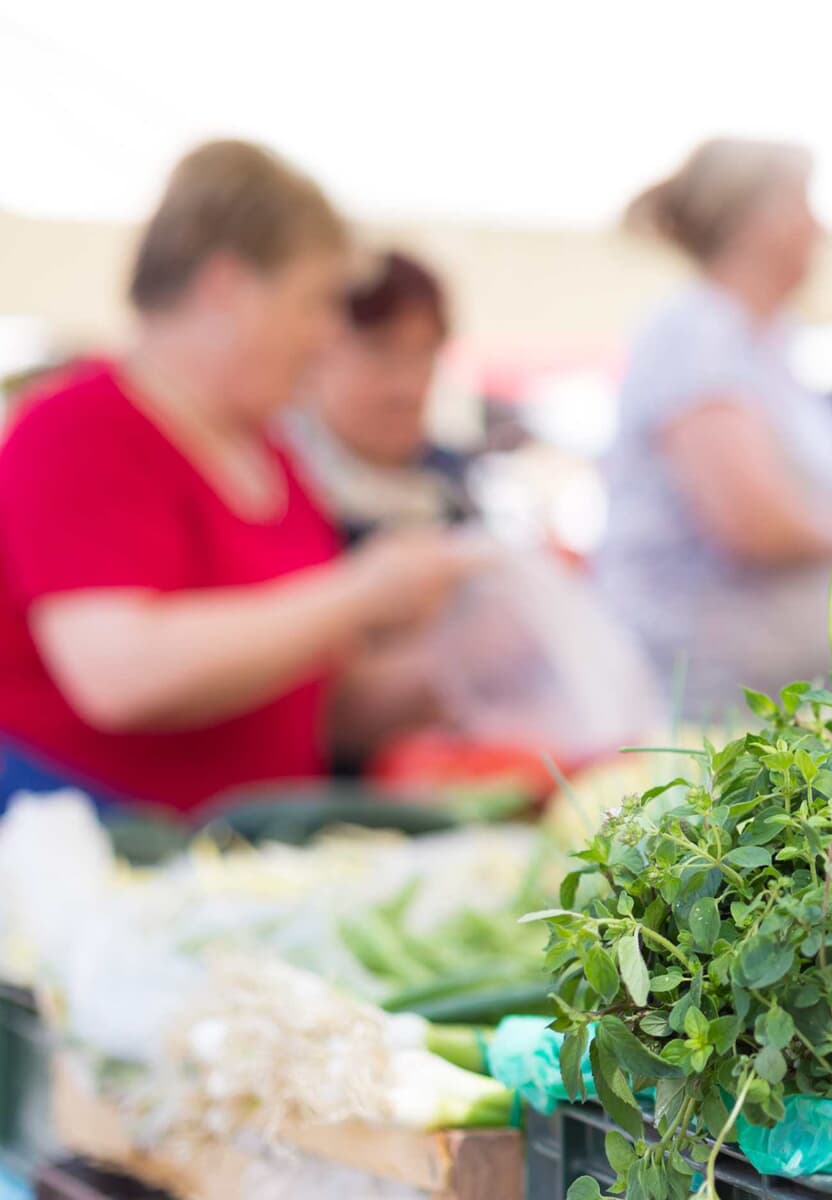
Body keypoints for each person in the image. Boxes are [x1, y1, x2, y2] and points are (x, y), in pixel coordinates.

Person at [0, 140, 480, 817]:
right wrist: (361, 592)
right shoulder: (75, 426)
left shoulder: (272, 453)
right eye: (312, 303)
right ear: (226, 287)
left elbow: (316, 705)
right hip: (103, 858)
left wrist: (463, 663)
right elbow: (119, 675)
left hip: (247, 859)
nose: (321, 338)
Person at [596, 138, 832, 717]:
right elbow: (750, 522)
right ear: (760, 221)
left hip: (781, 694)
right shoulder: (696, 336)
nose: (820, 229)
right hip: (707, 701)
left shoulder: (770, 342)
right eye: (803, 207)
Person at [288, 250, 475, 546]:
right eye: (380, 350)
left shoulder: (455, 485)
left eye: (424, 355)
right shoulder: (270, 491)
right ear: (316, 350)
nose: (408, 386)